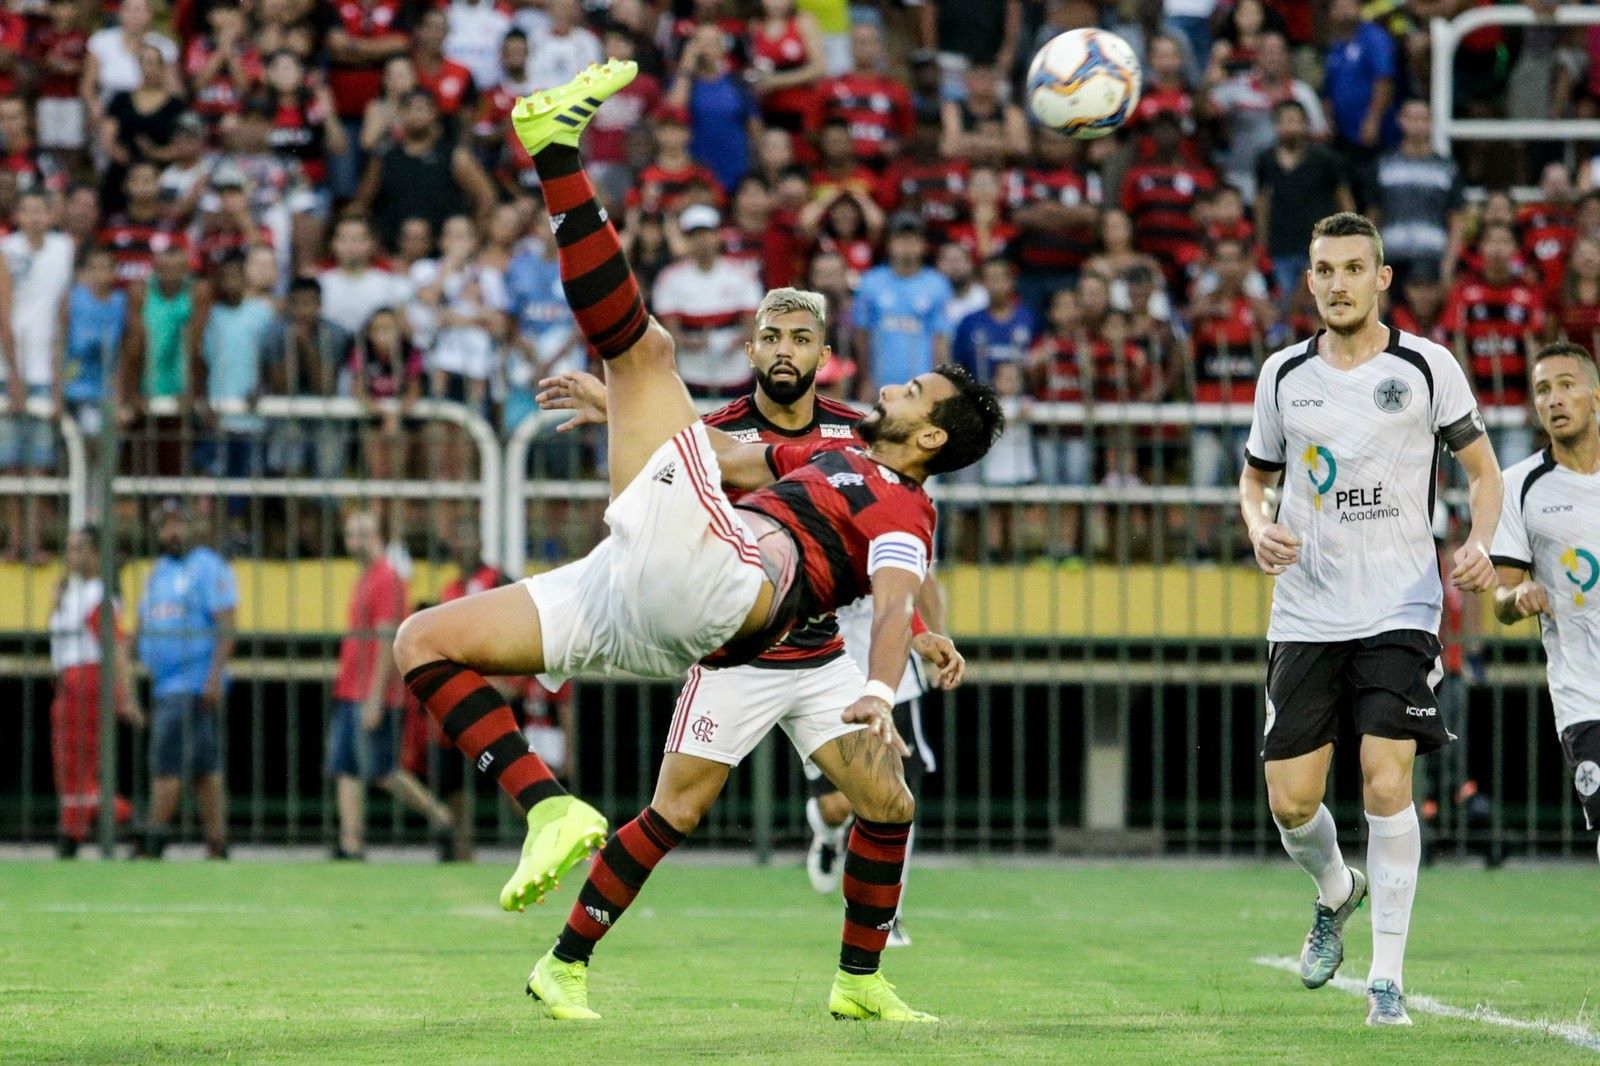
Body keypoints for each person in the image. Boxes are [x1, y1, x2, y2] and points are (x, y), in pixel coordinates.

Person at [391, 61, 1000, 1024]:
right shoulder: (790, 447)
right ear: (759, 349)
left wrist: (894, 667)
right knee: (421, 639)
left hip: (769, 629)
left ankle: (859, 983)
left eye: (916, 392)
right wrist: (624, 407)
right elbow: (725, 457)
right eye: (775, 336)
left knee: (888, 804)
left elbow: (891, 583)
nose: (791, 350)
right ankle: (549, 818)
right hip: (700, 612)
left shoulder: (877, 473)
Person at [1239, 212, 1502, 1027]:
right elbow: (1254, 480)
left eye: (1355, 268)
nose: (1339, 282)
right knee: (1290, 802)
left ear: (1381, 278)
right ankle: (1335, 889)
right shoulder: (1283, 375)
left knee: (1386, 779)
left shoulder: (1428, 367)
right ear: (1309, 280)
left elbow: (1484, 473)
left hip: (1401, 603)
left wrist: (1482, 543)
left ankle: (1386, 978)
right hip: (1308, 608)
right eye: (1325, 269)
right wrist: (1258, 527)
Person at [1491, 342, 1600, 864]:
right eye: (1542, 390)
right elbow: (1500, 596)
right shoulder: (1520, 488)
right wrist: (1518, 596)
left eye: (1565, 385)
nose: (1554, 399)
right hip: (1584, 695)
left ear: (1594, 396)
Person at [328, 510, 453, 859]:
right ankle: (350, 843)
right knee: (345, 767)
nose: (356, 541)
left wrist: (374, 697)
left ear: (378, 537)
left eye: (364, 533)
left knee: (382, 771)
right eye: (352, 534)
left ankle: (441, 817)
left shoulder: (386, 578)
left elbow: (386, 640)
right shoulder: (368, 577)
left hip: (371, 692)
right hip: (351, 688)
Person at [135, 502, 238, 859]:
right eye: (164, 527)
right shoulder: (158, 571)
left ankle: (154, 838)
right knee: (204, 769)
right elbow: (144, 623)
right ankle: (217, 841)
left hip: (191, 684)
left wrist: (212, 679)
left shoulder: (208, 566)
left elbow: (227, 626)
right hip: (166, 684)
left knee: (167, 765)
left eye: (177, 525)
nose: (171, 533)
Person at [49, 526, 144, 857]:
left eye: (75, 548)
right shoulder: (75, 592)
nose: (68, 555)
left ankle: (124, 820)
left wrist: (126, 695)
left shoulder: (96, 595)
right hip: (70, 683)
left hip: (85, 684)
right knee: (68, 766)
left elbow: (113, 646)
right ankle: (75, 829)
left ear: (93, 553)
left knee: (78, 767)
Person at [852, 213, 954, 401]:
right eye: (900, 239)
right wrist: (865, 379)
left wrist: (939, 383)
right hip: (880, 385)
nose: (907, 245)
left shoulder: (937, 285)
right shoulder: (870, 283)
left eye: (913, 239)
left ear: (923, 245)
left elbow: (940, 339)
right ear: (889, 243)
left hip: (922, 387)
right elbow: (861, 335)